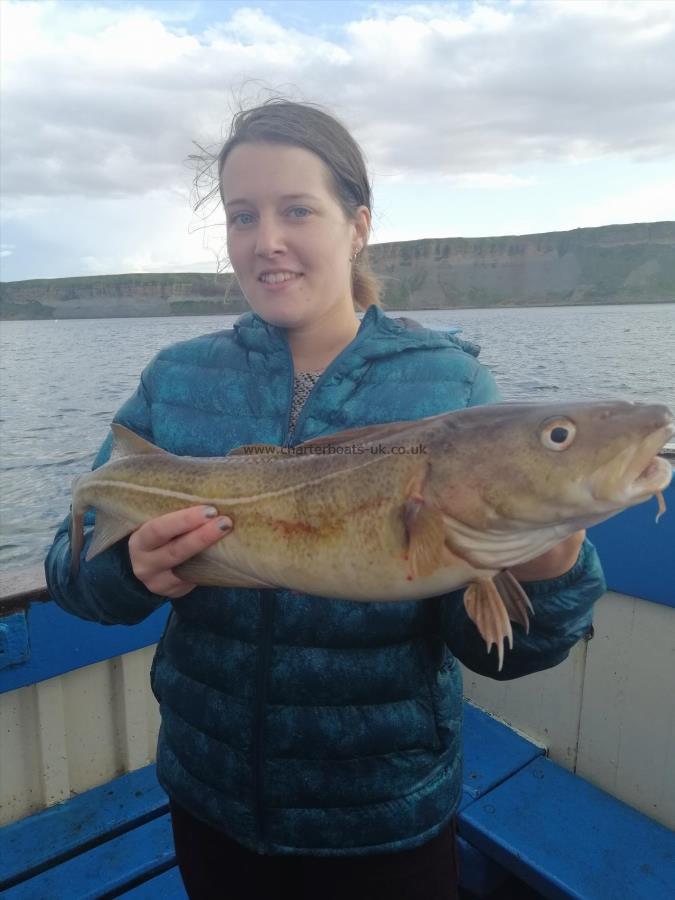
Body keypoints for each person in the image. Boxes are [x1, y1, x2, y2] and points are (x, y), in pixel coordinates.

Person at [45, 99, 606, 900]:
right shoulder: (174, 381)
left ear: (357, 224)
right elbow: (72, 578)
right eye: (243, 216)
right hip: (211, 802)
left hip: (383, 819)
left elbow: (498, 655)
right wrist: (128, 571)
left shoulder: (450, 388)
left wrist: (549, 562)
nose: (266, 240)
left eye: (297, 210)